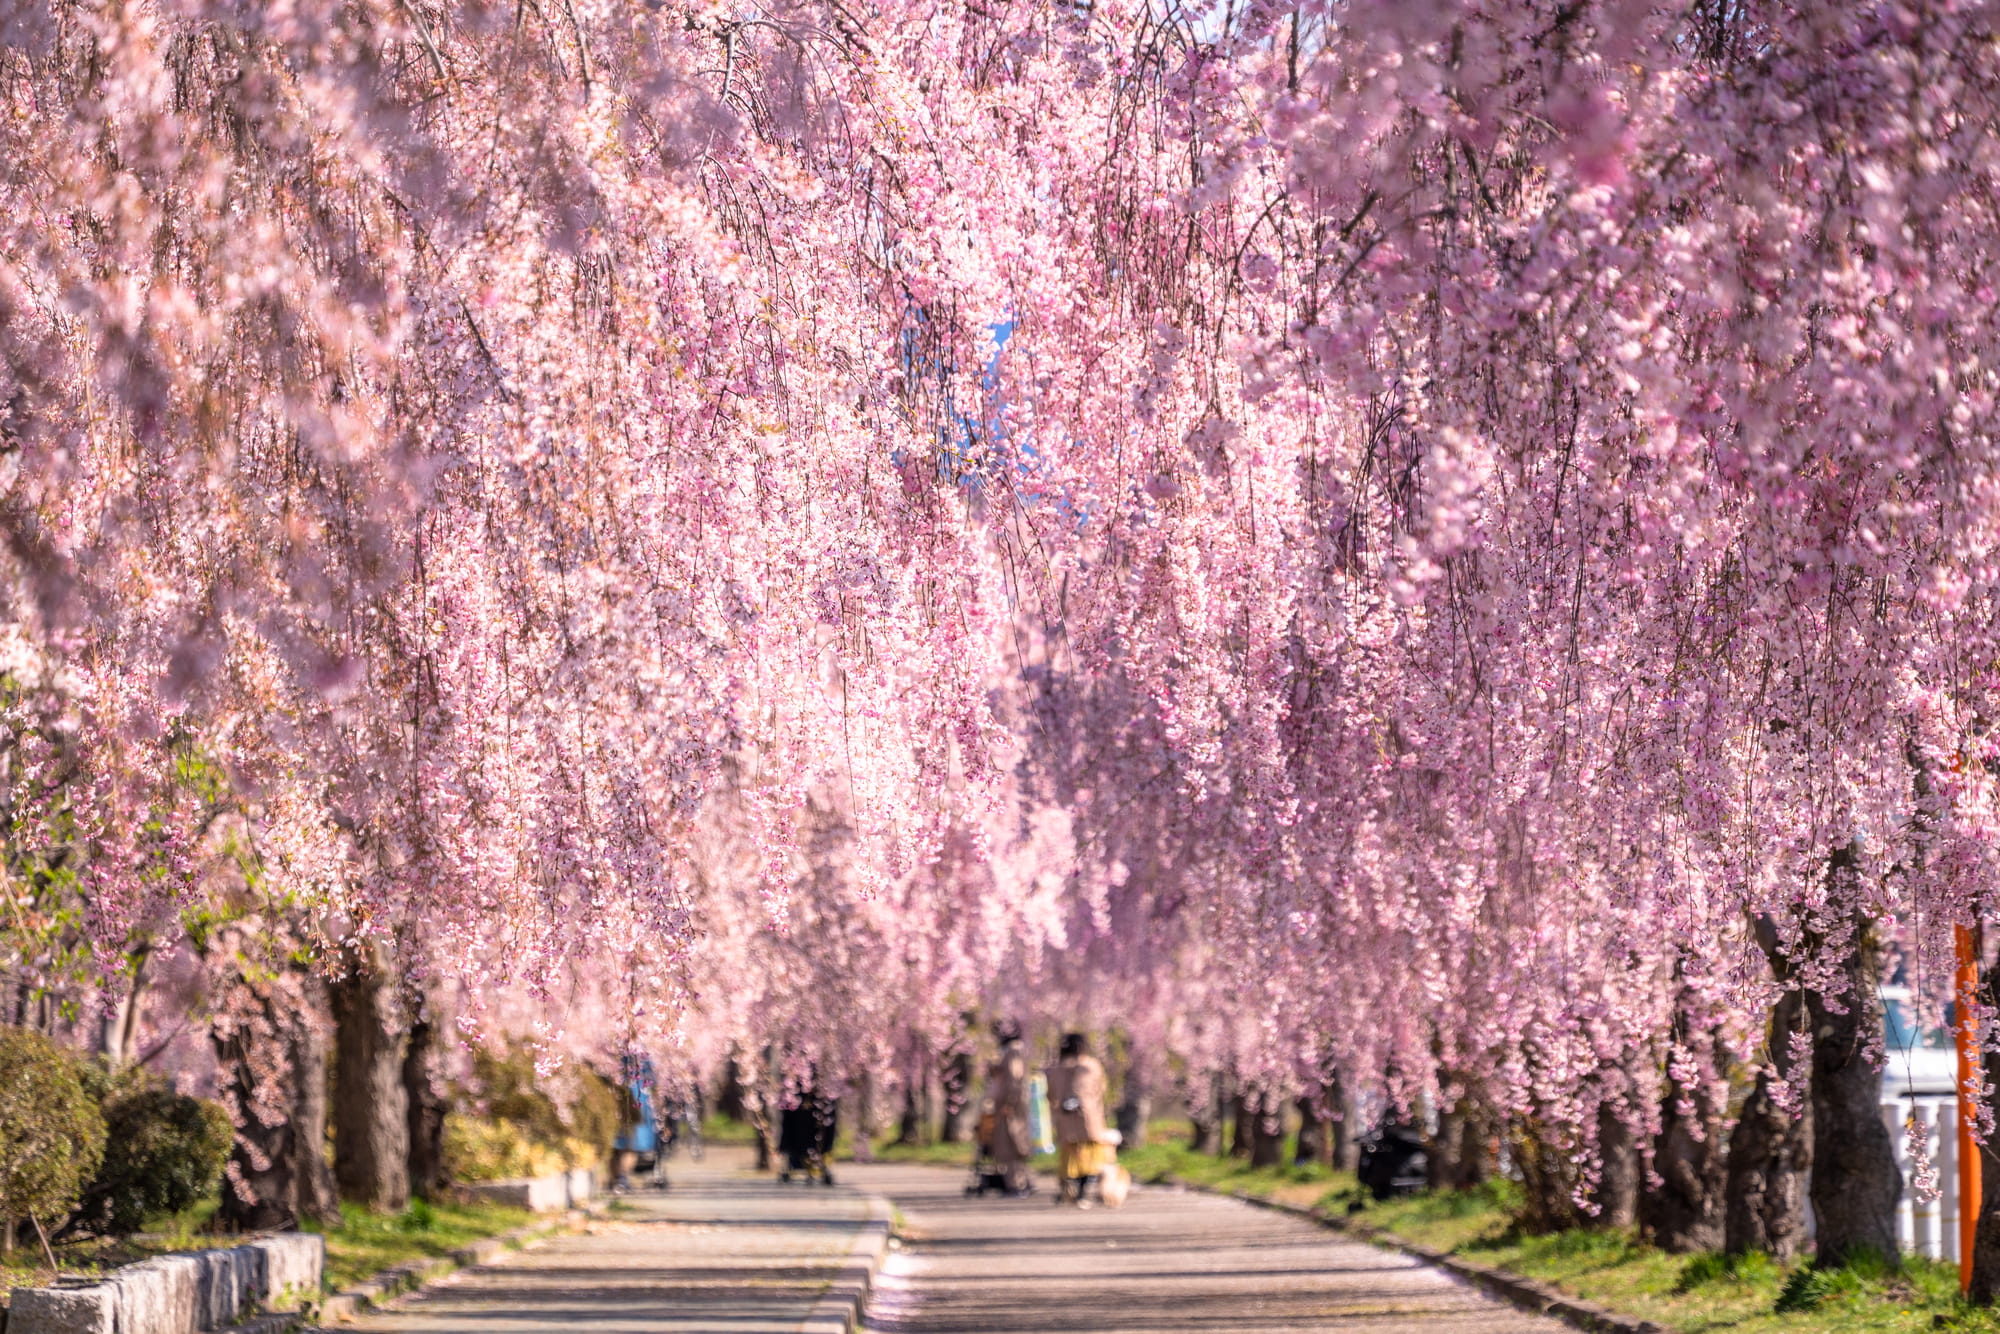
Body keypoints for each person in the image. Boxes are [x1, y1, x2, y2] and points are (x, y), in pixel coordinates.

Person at [1046, 1032, 1115, 1206]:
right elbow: (1101, 1089)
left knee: (1070, 1157)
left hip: (1065, 1118)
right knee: (1090, 1157)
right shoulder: (1091, 1065)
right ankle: (1082, 1192)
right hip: (1088, 1117)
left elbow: (1050, 1092)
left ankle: (1069, 1187)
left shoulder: (1056, 1068)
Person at [983, 1019, 1033, 1196]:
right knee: (1014, 1144)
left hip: (1009, 1106)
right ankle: (1022, 1181)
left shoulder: (1012, 1051)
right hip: (1011, 1104)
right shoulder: (1014, 1051)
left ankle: (1016, 1184)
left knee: (1011, 1145)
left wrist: (1009, 1102)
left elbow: (1014, 1078)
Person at [778, 1072, 839, 1186]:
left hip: (819, 1102)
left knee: (820, 1133)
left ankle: (816, 1166)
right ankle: (801, 1165)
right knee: (798, 1131)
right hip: (799, 1107)